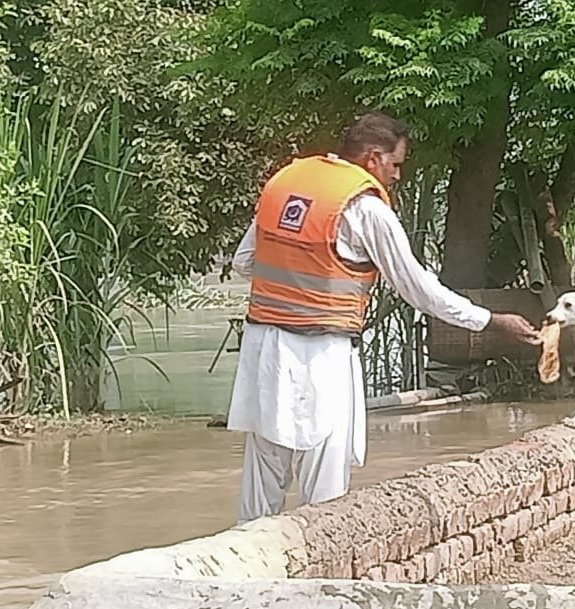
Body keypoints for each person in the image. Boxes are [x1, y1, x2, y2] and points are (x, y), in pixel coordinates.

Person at [226, 111, 541, 523]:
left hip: (263, 350)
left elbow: (244, 262)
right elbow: (420, 291)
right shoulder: (366, 210)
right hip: (322, 355)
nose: (396, 176)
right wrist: (492, 321)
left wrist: (295, 283)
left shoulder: (287, 185)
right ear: (374, 159)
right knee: (324, 501)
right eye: (395, 164)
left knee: (260, 489)